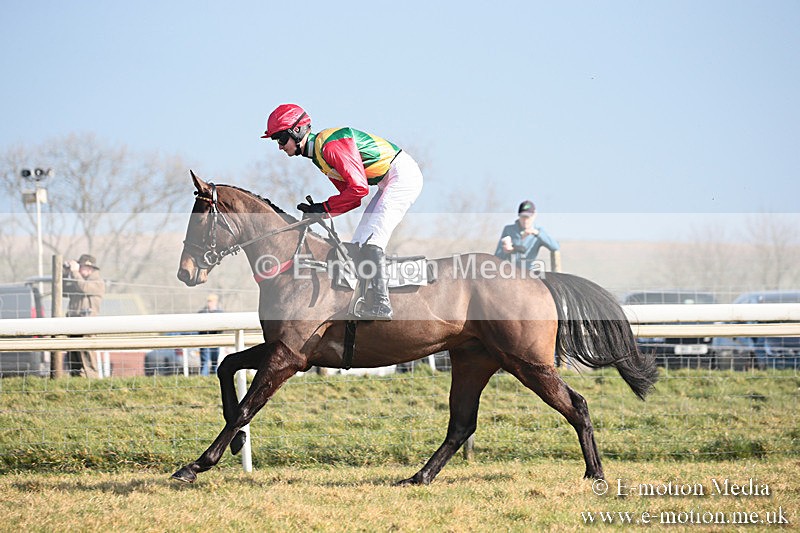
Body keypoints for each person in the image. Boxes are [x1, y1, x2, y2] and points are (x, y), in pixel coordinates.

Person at [261, 103, 424, 321]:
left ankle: (382, 304)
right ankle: (363, 297)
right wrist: (321, 211)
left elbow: (358, 190)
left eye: (280, 139)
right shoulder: (319, 156)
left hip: (402, 176)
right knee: (358, 243)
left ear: (297, 131)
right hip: (386, 180)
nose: (280, 147)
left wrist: (325, 208)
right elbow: (352, 198)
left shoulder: (328, 147)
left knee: (372, 240)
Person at [63, 254, 105, 377]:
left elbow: (84, 288)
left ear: (91, 269)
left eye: (84, 267)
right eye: (81, 267)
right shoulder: (78, 281)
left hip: (88, 323)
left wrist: (75, 273)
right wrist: (65, 273)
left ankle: (91, 377)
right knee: (73, 352)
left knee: (87, 352)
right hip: (73, 321)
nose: (81, 270)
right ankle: (76, 377)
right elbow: (63, 290)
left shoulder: (97, 282)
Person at [494, 200, 561, 272]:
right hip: (511, 272)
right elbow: (497, 257)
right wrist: (505, 252)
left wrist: (537, 233)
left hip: (530, 273)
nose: (525, 220)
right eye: (523, 217)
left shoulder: (539, 232)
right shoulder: (509, 230)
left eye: (528, 217)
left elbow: (555, 247)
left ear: (534, 215)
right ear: (519, 216)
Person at [198, 293, 224, 376]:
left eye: (212, 301)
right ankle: (204, 376)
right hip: (204, 339)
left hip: (216, 339)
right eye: (209, 301)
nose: (210, 303)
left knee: (215, 359)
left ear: (215, 302)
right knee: (205, 359)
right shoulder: (202, 313)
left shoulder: (220, 313)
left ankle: (215, 375)